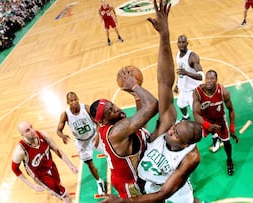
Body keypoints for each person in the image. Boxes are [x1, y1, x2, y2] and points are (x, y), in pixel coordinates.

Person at [102, 1, 203, 202]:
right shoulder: (166, 128)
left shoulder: (190, 157)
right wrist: (164, 36)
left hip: (171, 191)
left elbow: (164, 193)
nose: (171, 130)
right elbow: (165, 82)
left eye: (175, 134)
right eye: (175, 127)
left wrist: (124, 202)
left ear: (184, 144)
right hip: (147, 185)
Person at [89, 68, 158, 197]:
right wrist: (135, 86)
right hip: (131, 184)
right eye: (110, 111)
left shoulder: (113, 126)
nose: (116, 109)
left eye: (113, 105)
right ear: (104, 120)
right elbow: (153, 105)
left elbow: (140, 122)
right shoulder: (117, 131)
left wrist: (137, 97)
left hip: (136, 174)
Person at [11, 121, 78, 203]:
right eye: (27, 130)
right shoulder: (20, 150)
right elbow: (15, 169)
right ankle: (58, 193)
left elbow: (57, 149)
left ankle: (55, 192)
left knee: (59, 186)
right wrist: (32, 186)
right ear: (22, 135)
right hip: (41, 177)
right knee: (67, 197)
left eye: (31, 127)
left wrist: (70, 165)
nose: (32, 131)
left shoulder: (43, 135)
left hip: (51, 166)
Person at [56, 92, 106, 195]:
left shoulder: (86, 108)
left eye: (75, 99)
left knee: (109, 154)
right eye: (71, 101)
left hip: (93, 136)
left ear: (78, 99)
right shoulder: (65, 114)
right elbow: (58, 131)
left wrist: (98, 135)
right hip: (81, 142)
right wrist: (63, 136)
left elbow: (97, 122)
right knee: (90, 164)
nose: (74, 102)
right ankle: (99, 181)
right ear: (68, 102)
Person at [192, 70, 239, 176]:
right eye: (207, 78)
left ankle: (229, 160)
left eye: (212, 78)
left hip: (220, 121)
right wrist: (207, 126)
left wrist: (232, 129)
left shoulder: (223, 92)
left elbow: (231, 110)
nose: (209, 81)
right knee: (192, 139)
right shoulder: (197, 92)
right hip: (205, 121)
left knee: (227, 142)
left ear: (216, 80)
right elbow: (195, 114)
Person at [174, 35, 204, 121]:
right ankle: (186, 117)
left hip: (194, 91)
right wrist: (177, 84)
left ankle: (212, 132)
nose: (181, 44)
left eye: (183, 42)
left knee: (197, 113)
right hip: (184, 89)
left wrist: (186, 73)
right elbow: (180, 72)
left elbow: (201, 76)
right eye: (179, 42)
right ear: (177, 44)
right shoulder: (178, 55)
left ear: (187, 43)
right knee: (180, 105)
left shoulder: (192, 57)